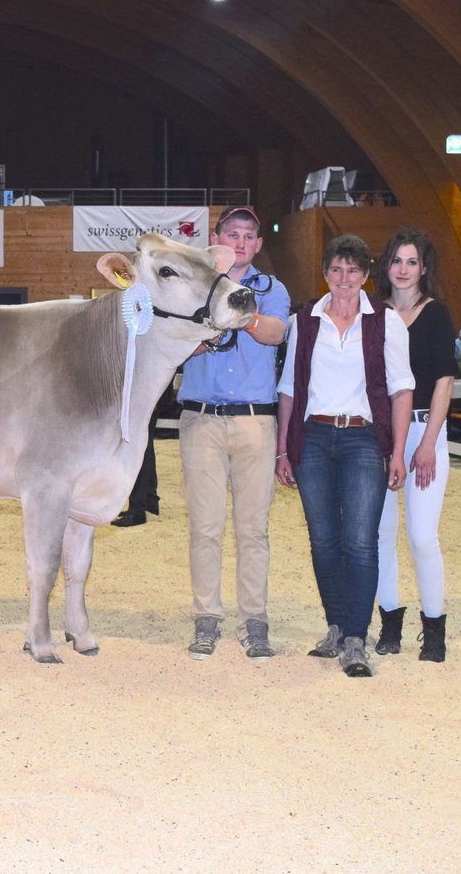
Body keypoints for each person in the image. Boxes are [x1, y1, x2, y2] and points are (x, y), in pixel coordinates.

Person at [276, 234, 413, 678]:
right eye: (336, 269)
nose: (344, 278)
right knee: (323, 540)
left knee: (359, 541)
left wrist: (397, 451)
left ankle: (356, 637)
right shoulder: (304, 321)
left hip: (363, 439)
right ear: (325, 273)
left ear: (366, 275)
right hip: (313, 438)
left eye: (353, 270)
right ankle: (336, 627)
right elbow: (289, 388)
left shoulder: (386, 322)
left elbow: (401, 390)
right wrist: (283, 448)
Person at [177, 205, 290, 662]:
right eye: (232, 234)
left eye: (248, 236)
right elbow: (174, 340)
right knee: (204, 527)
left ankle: (254, 621)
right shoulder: (192, 284)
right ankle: (206, 618)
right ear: (217, 237)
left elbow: (276, 333)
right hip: (201, 420)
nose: (240, 242)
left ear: (258, 244)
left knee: (252, 529)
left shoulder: (271, 288)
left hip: (254, 422)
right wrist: (203, 334)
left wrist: (242, 314)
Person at [373, 229, 456, 663]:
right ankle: (389, 624)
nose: (403, 269)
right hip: (382, 438)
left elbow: (445, 380)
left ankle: (435, 628)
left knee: (422, 536)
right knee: (381, 535)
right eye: (396, 260)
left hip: (426, 434)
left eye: (411, 262)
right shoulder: (375, 313)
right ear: (386, 265)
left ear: (424, 268)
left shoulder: (436, 313)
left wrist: (427, 443)